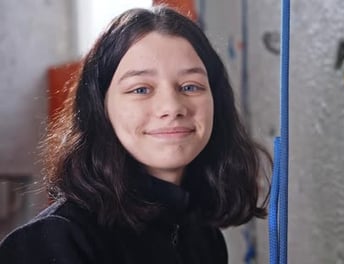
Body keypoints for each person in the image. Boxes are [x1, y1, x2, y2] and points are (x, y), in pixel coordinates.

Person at [0, 6, 270, 264]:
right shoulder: (52, 243)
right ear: (100, 107)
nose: (172, 107)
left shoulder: (205, 239)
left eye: (190, 86)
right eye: (141, 89)